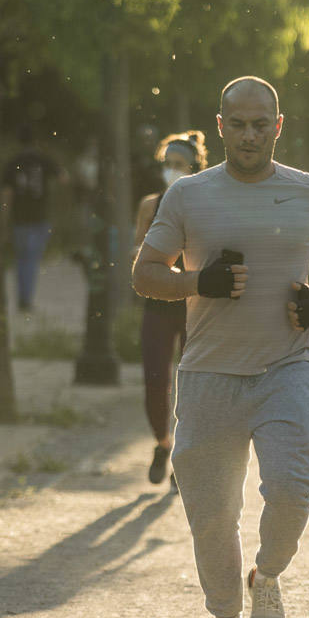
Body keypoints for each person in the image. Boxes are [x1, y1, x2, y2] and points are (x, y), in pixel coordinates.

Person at [131, 76, 309, 618]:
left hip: (285, 366)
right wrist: (195, 283)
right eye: (239, 124)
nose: (250, 135)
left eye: (262, 124)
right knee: (212, 517)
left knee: (292, 485)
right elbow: (144, 272)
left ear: (278, 126)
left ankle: (270, 574)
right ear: (220, 126)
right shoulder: (187, 195)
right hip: (209, 376)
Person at [133, 130, 208, 486]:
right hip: (158, 301)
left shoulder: (205, 203)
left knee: (192, 384)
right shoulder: (151, 204)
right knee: (154, 380)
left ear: (195, 168)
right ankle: (163, 442)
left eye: (179, 165)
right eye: (168, 165)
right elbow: (138, 252)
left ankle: (183, 457)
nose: (172, 171)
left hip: (195, 304)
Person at [1, 124, 67, 312]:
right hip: (39, 215)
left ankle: (23, 296)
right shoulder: (43, 159)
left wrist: (4, 216)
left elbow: (7, 193)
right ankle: (26, 299)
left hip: (19, 217)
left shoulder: (13, 162)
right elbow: (63, 177)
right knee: (32, 258)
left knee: (21, 259)